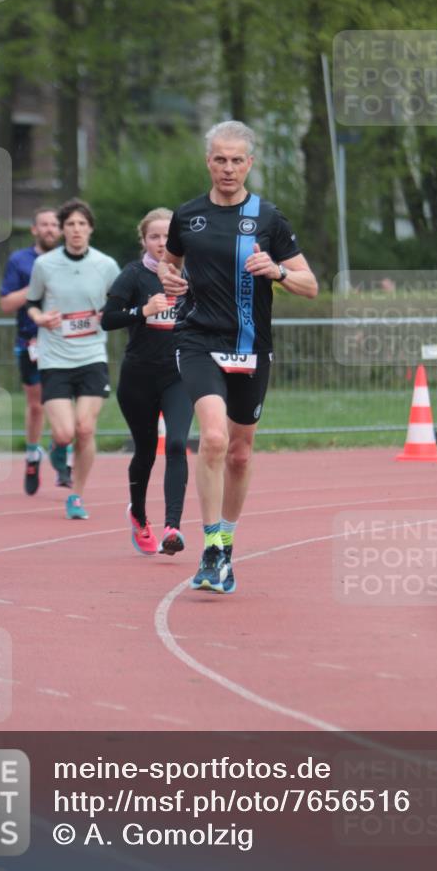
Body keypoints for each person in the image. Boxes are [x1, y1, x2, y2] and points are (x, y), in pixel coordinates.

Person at [159, 120, 318, 594]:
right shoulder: (187, 216)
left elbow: (311, 286)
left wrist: (277, 271)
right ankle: (210, 547)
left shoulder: (269, 218)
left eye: (236, 160)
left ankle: (226, 540)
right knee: (212, 438)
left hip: (251, 346)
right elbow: (169, 263)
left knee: (240, 452)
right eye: (219, 159)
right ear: (207, 161)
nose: (227, 168)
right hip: (198, 340)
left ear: (250, 163)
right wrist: (169, 281)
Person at [101, 208, 193, 557]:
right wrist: (142, 311)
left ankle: (173, 527)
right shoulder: (133, 276)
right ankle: (139, 515)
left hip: (179, 375)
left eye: (168, 236)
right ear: (144, 240)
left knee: (176, 443)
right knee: (144, 451)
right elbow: (107, 319)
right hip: (138, 377)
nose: (161, 243)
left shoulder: (191, 274)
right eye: (154, 236)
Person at [26, 198, 120, 519]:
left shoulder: (106, 265)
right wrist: (40, 318)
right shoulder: (45, 265)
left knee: (84, 429)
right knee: (65, 433)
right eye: (70, 225)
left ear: (90, 229)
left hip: (92, 355)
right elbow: (32, 303)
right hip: (55, 357)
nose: (76, 230)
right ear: (63, 230)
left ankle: (76, 497)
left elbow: (118, 303)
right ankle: (56, 448)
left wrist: (109, 312)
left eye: (82, 224)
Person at [0, 207, 70, 495]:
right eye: (45, 224)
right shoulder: (20, 260)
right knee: (37, 403)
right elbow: (6, 304)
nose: (51, 229)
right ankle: (32, 455)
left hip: (67, 340)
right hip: (32, 341)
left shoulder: (72, 259)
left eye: (55, 225)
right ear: (34, 229)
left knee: (66, 399)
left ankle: (62, 454)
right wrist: (37, 282)